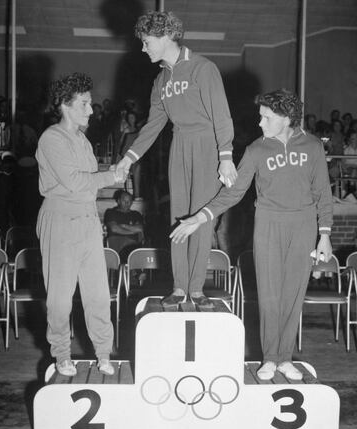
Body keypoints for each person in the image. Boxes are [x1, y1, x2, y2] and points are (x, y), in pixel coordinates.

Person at [171, 89, 333, 381]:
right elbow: (232, 193)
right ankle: (270, 358)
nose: (260, 123)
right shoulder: (256, 150)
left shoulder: (312, 147)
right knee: (270, 296)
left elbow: (323, 192)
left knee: (293, 296)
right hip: (268, 224)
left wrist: (325, 234)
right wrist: (200, 217)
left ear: (285, 118)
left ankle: (286, 358)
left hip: (304, 226)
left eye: (266, 117)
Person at [115, 11, 237, 308]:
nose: (143, 49)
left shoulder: (202, 68)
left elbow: (221, 115)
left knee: (201, 220)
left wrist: (226, 156)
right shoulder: (161, 80)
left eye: (146, 42)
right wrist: (128, 159)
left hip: (208, 145)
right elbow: (153, 125)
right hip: (179, 145)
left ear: (165, 36)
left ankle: (197, 289)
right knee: (178, 217)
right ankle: (179, 287)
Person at [35, 72, 119, 376]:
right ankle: (61, 354)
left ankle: (103, 353)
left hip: (86, 218)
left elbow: (88, 185)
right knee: (60, 296)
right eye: (84, 103)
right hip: (60, 218)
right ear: (64, 105)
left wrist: (112, 171)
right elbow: (72, 182)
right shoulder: (51, 138)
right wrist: (111, 176)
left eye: (90, 103)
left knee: (97, 292)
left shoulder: (82, 140)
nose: (91, 110)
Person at [104, 190, 144, 262]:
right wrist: (132, 231)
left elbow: (140, 228)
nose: (127, 203)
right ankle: (137, 272)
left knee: (136, 250)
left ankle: (136, 271)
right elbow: (114, 228)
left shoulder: (136, 214)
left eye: (129, 201)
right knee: (131, 252)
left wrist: (124, 226)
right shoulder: (111, 212)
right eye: (124, 200)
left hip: (134, 244)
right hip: (116, 243)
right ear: (118, 201)